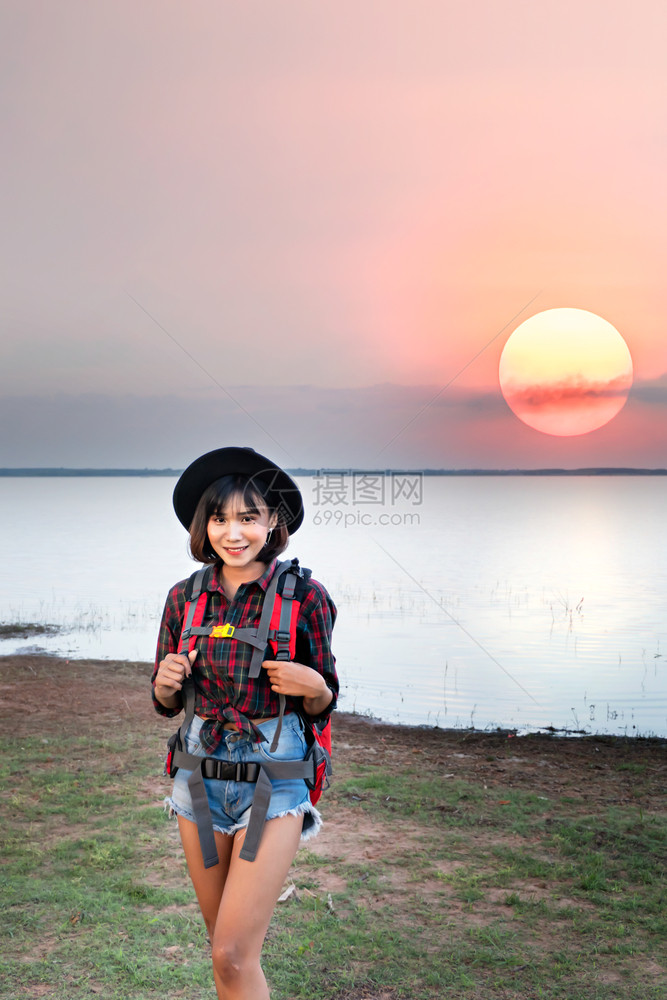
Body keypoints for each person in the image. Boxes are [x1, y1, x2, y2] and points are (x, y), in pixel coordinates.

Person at [152, 446, 338, 1000]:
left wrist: (316, 688)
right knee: (225, 954)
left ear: (273, 521)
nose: (233, 533)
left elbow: (324, 698)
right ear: (203, 524)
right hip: (198, 782)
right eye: (219, 518)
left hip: (274, 779)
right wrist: (163, 687)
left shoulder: (305, 597)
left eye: (248, 517)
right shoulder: (183, 598)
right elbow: (166, 699)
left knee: (233, 955)